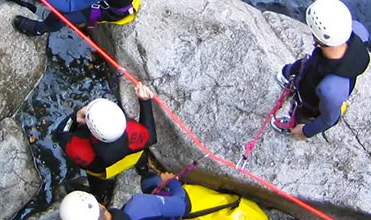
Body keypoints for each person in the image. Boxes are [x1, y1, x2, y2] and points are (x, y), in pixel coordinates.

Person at [272, 0, 370, 139]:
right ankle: (287, 75)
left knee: (303, 111)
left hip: (312, 99)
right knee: (301, 66)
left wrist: (306, 131)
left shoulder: (330, 89)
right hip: (315, 66)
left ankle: (292, 124)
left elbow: (329, 119)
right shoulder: (357, 31)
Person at [55, 81, 156, 205]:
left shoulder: (80, 150)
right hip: (134, 157)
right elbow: (150, 137)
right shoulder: (134, 132)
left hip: (102, 170)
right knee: (141, 157)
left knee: (97, 185)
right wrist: (145, 101)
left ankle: (101, 197)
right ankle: (143, 169)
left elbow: (60, 133)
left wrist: (74, 117)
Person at [57, 171, 268, 220]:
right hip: (181, 211)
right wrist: (171, 181)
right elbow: (182, 204)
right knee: (151, 182)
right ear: (101, 206)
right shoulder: (139, 207)